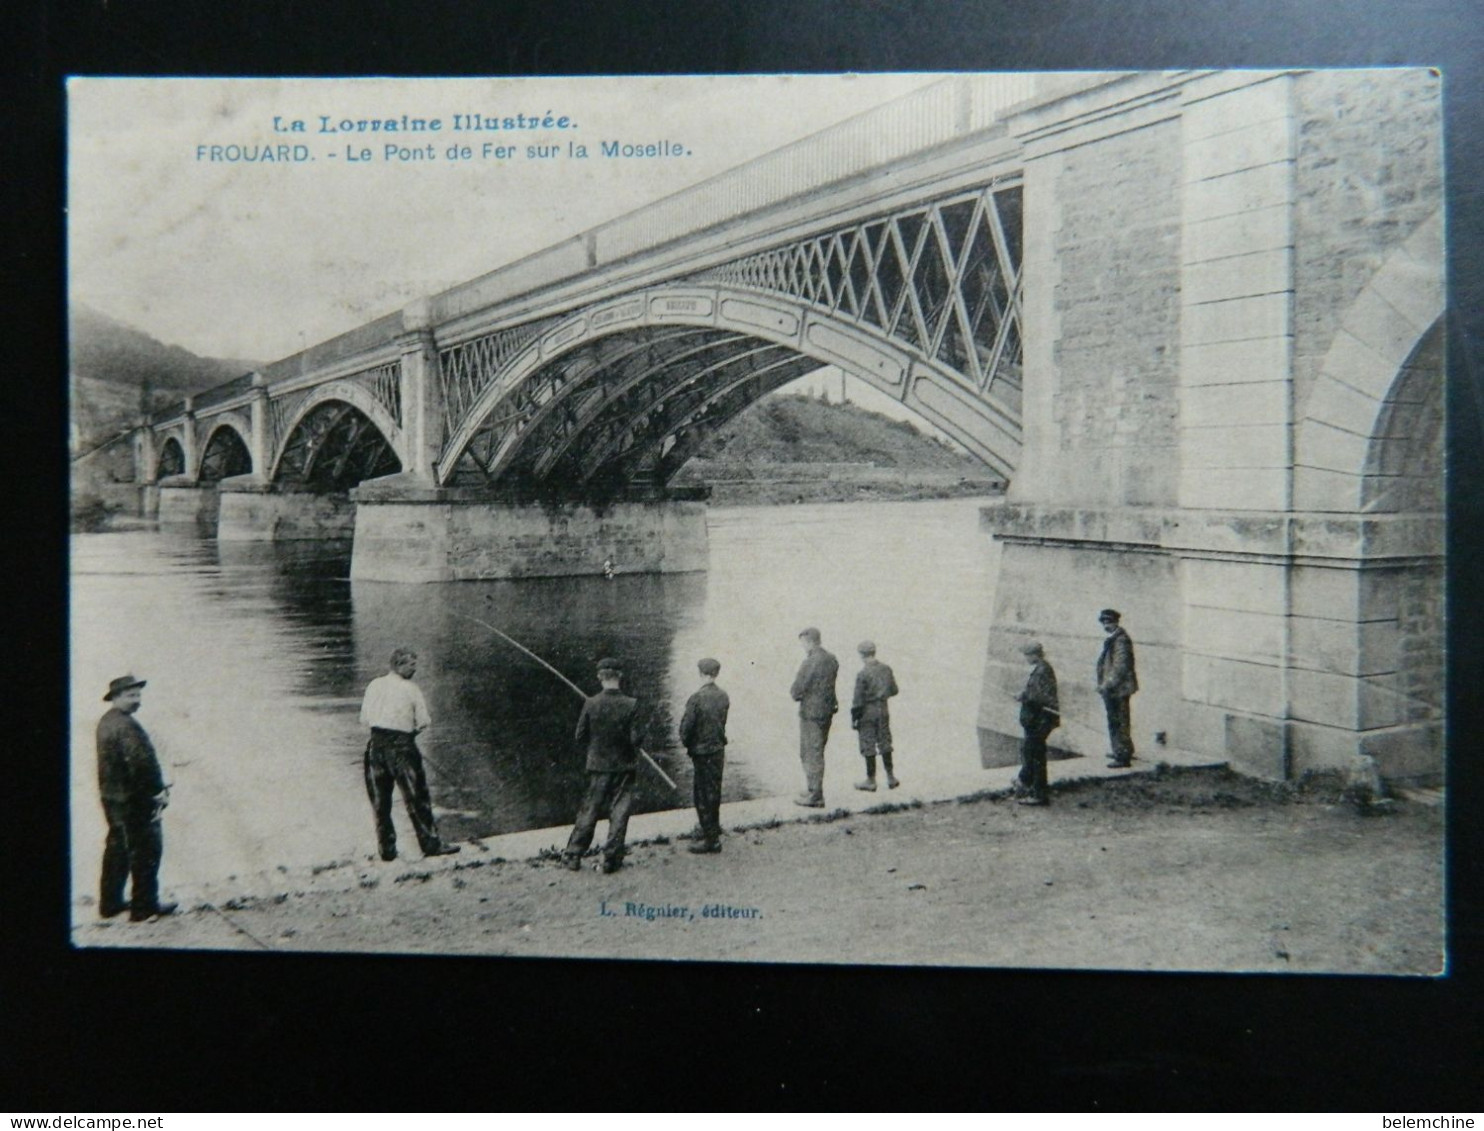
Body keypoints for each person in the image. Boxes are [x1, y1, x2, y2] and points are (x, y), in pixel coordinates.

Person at [359, 647, 460, 862]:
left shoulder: (374, 685)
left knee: (380, 801)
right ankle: (431, 844)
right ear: (400, 665)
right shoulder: (411, 689)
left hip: (375, 746)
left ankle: (386, 850)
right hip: (402, 747)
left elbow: (365, 719)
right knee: (417, 797)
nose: (415, 670)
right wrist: (407, 734)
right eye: (412, 665)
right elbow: (423, 722)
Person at [96, 674, 177, 921]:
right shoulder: (128, 726)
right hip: (135, 801)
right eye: (131, 696)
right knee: (147, 851)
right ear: (116, 698)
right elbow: (142, 766)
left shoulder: (106, 722)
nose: (137, 700)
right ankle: (144, 908)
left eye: (139, 695)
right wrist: (158, 793)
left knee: (117, 850)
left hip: (112, 799)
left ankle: (110, 904)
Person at [563, 658, 645, 873]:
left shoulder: (591, 703)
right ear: (620, 677)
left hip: (598, 766)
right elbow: (636, 740)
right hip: (624, 767)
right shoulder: (632, 704)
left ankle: (573, 855)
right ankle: (611, 859)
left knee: (590, 810)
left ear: (600, 677)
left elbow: (580, 736)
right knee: (619, 812)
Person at [679, 657, 730, 854]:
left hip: (701, 752)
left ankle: (711, 840)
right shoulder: (723, 696)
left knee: (701, 794)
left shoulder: (696, 698)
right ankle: (713, 827)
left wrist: (688, 744)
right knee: (714, 790)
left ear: (701, 674)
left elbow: (685, 729)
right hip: (718, 749)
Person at [790, 627, 838, 808]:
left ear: (810, 642)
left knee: (810, 752)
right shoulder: (832, 659)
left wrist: (797, 695)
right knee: (818, 750)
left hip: (811, 713)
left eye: (803, 642)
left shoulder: (809, 662)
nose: (802, 646)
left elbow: (796, 691)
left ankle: (816, 795)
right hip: (827, 711)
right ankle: (813, 788)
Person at [1015, 642, 1060, 805]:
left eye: (1027, 655)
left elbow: (1040, 697)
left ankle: (1038, 794)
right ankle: (1026, 784)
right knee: (1032, 753)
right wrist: (1025, 694)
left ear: (1035, 655)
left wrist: (1023, 696)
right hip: (1037, 720)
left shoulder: (1042, 671)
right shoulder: (1042, 668)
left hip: (1039, 720)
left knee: (1035, 755)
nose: (1025, 658)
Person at [851, 640, 900, 791]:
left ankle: (871, 780)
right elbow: (894, 690)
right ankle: (891, 777)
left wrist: (854, 718)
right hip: (883, 709)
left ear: (861, 655)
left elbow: (858, 700)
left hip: (867, 711)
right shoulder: (886, 669)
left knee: (868, 744)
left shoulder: (863, 674)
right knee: (885, 741)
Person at [1096, 609, 1139, 768]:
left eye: (1109, 622)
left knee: (1118, 721)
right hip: (1115, 688)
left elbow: (1120, 667)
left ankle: (1122, 756)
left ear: (1116, 622)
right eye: (1104, 623)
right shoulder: (1115, 638)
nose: (1106, 626)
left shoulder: (1120, 640)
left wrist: (1106, 685)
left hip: (1117, 689)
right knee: (1119, 720)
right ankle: (1122, 749)